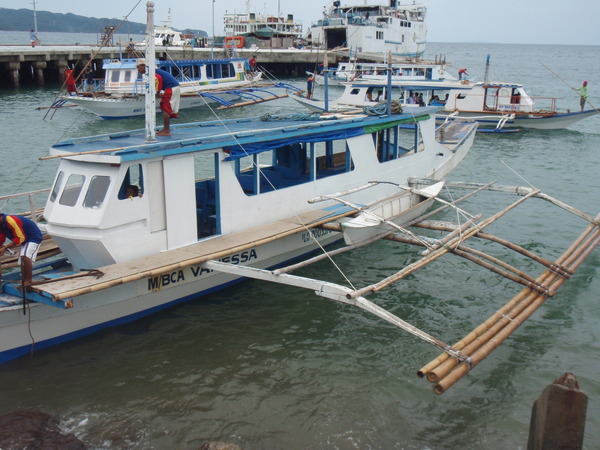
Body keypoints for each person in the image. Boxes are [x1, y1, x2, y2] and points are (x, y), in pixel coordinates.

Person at [136, 58, 181, 136]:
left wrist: (157, 92)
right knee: (164, 106)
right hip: (172, 87)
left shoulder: (151, 72)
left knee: (165, 107)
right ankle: (166, 128)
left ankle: (166, 130)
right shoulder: (153, 71)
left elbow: (158, 79)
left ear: (143, 66)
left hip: (170, 87)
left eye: (138, 67)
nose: (138, 69)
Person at [0, 213, 43, 291]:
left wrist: (5, 248)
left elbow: (20, 238)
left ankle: (28, 282)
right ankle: (24, 282)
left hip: (33, 237)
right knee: (21, 262)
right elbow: (1, 238)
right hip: (25, 240)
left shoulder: (10, 220)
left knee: (25, 257)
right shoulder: (1, 224)